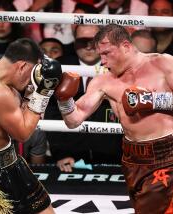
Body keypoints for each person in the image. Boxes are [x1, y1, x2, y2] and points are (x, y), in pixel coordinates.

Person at [54, 24, 173, 213]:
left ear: (126, 46)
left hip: (165, 154)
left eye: (107, 53)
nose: (102, 60)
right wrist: (64, 99)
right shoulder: (103, 81)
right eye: (101, 54)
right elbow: (73, 120)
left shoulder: (162, 63)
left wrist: (151, 100)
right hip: (131, 157)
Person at [0, 38, 62, 213]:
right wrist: (42, 92)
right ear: (21, 66)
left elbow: (7, 116)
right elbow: (22, 134)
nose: (32, 78)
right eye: (31, 72)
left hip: (12, 162)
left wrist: (29, 92)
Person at [45, 25, 122, 172]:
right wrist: (61, 153)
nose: (88, 46)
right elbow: (52, 113)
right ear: (74, 42)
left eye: (93, 40)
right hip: (70, 159)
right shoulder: (60, 67)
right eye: (82, 41)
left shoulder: (120, 67)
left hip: (115, 157)